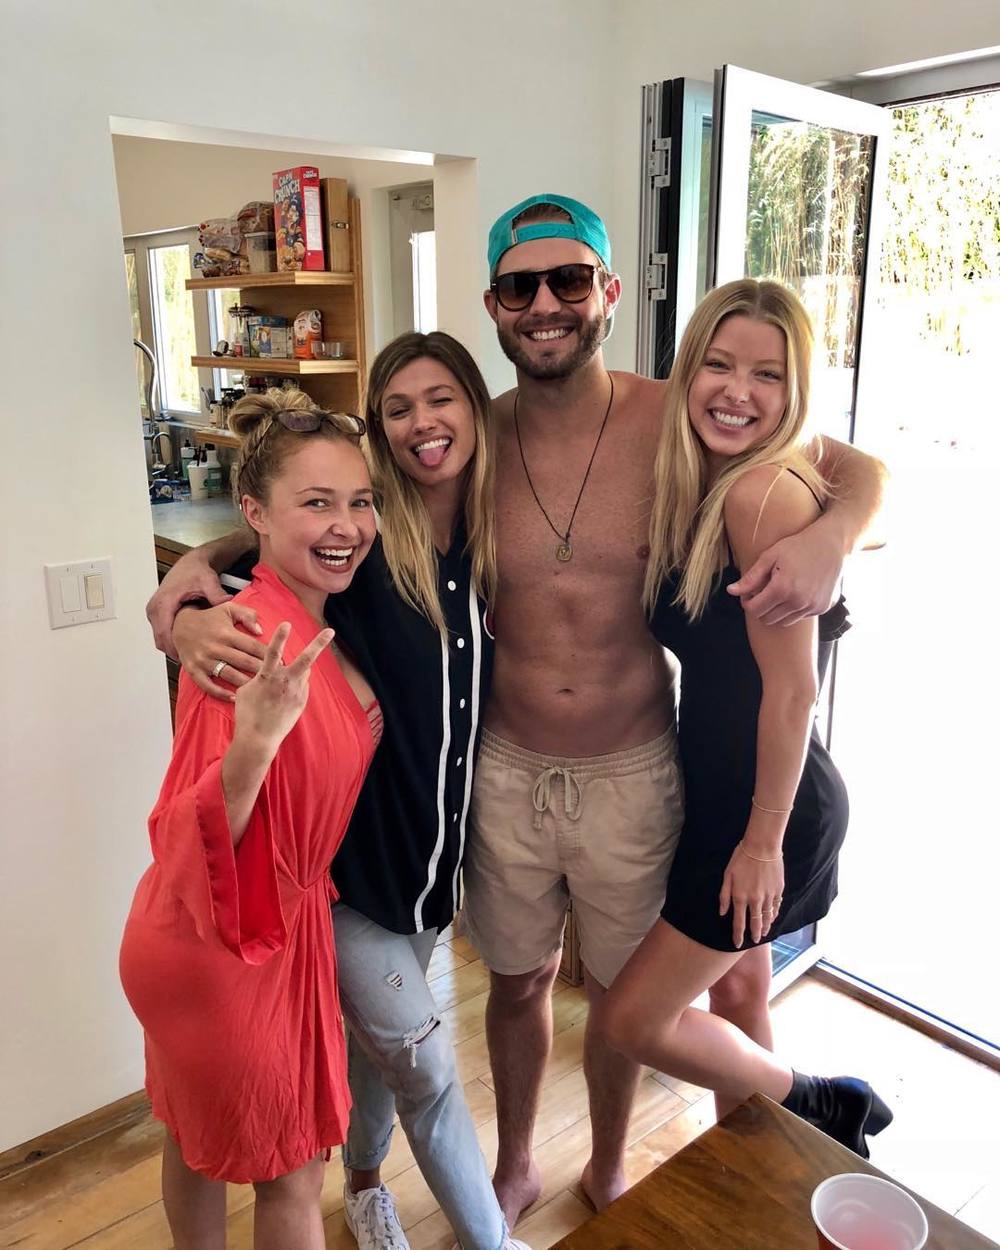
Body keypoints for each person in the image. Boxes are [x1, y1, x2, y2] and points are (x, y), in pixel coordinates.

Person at [461, 194, 887, 1226]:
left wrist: (833, 536)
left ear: (608, 291)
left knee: (633, 1003)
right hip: (515, 767)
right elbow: (340, 502)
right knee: (528, 984)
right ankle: (522, 1162)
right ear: (495, 303)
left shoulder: (678, 416)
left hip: (642, 768)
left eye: (570, 279)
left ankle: (615, 1167)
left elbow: (857, 468)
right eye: (522, 285)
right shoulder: (475, 437)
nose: (547, 302)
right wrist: (209, 564)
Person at [149, 338, 529, 1250]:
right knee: (416, 1073)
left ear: (479, 412)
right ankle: (490, 1240)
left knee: (355, 1062)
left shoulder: (476, 538)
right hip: (317, 900)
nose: (422, 423)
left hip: (424, 880)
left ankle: (364, 1187)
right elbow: (264, 561)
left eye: (442, 399)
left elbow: (299, 524)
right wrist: (185, 605)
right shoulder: (344, 573)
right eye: (398, 407)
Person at [595, 278, 891, 1157]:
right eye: (719, 366)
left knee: (635, 1019)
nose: (738, 391)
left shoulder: (763, 494)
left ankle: (821, 1102)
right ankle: (761, 1177)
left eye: (768, 374)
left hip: (770, 808)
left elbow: (792, 693)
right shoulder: (707, 474)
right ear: (687, 371)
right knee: (736, 996)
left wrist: (761, 842)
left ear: (795, 390)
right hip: (730, 790)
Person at [120, 391, 380, 1250]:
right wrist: (255, 743)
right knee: (293, 1177)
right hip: (226, 946)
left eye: (360, 500)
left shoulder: (310, 611)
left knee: (192, 1139)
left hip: (251, 936)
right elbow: (187, 842)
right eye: (317, 502)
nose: (346, 524)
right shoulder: (243, 638)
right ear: (256, 515)